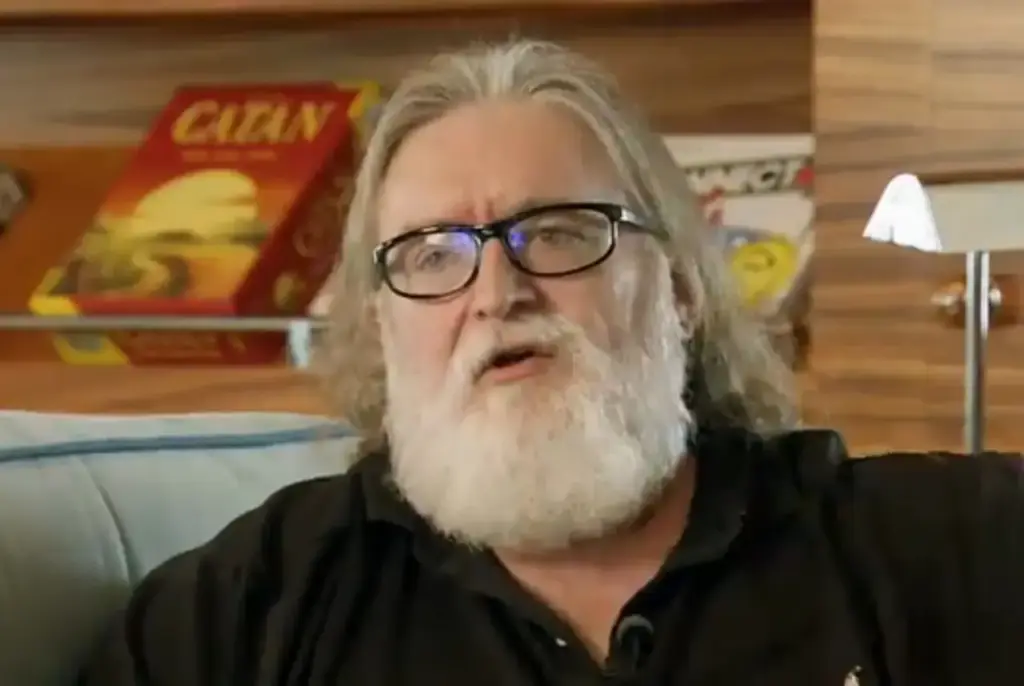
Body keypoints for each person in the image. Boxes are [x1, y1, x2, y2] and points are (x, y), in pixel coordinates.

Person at [80, 39, 1024, 686]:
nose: (497, 292)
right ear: (380, 323)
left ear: (681, 289)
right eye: (432, 256)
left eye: (561, 232)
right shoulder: (253, 611)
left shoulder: (945, 552)